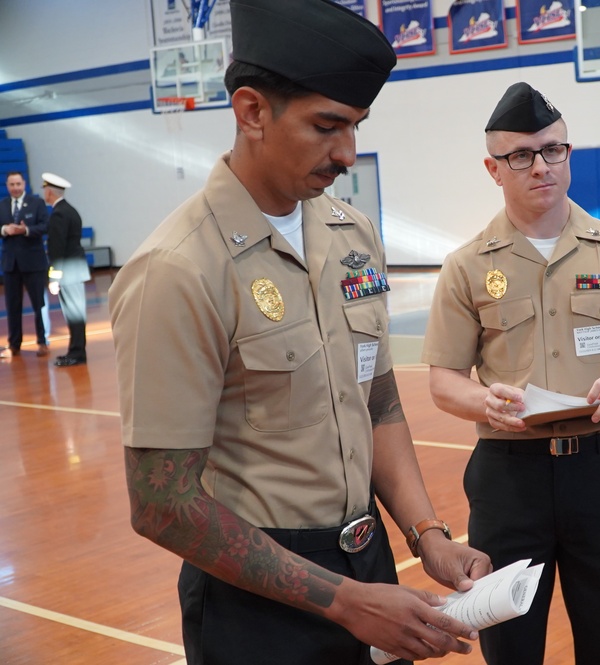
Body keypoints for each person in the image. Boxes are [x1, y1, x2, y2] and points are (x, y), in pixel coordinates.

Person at [109, 1, 490, 663]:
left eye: (355, 126)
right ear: (252, 111)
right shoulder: (178, 269)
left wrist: (425, 532)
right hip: (256, 605)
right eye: (326, 126)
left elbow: (377, 400)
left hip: (369, 569)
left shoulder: (350, 235)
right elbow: (161, 504)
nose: (347, 152)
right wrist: (343, 600)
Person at [421, 82, 600, 665]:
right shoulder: (467, 266)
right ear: (493, 169)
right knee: (511, 648)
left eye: (554, 149)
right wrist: (481, 402)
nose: (541, 165)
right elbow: (443, 380)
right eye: (521, 155)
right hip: (507, 479)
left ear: (570, 155)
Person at [42, 172, 90, 367]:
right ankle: (75, 351)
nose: (44, 192)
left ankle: (77, 353)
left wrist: (54, 277)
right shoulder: (70, 210)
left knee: (74, 314)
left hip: (67, 271)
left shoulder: (59, 214)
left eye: (45, 189)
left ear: (50, 192)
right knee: (75, 313)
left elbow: (58, 248)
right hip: (74, 269)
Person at [1, 170, 50, 358]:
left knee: (39, 304)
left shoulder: (37, 203)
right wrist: (5, 229)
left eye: (18, 184)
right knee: (12, 306)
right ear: (7, 186)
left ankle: (42, 342)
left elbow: (45, 226)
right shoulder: (2, 205)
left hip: (33, 262)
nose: (15, 188)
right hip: (11, 264)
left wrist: (25, 229)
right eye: (11, 185)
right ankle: (14, 344)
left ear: (24, 184)